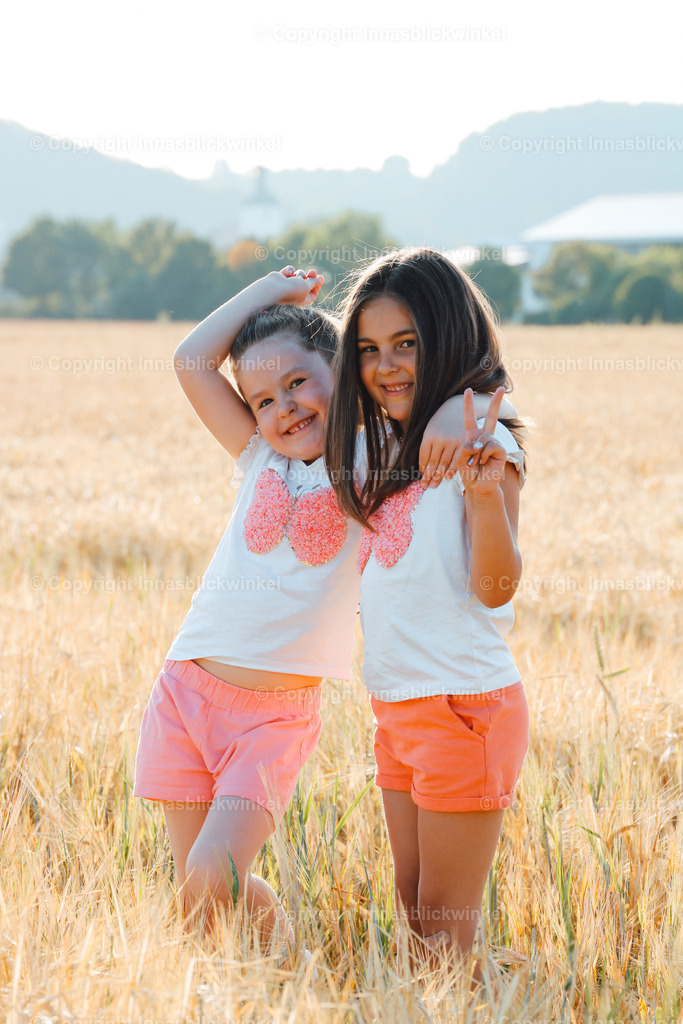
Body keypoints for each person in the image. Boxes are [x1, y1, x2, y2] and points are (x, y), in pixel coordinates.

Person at [132, 265, 503, 964]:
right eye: (263, 398)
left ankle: (170, 983)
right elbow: (190, 360)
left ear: (341, 371)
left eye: (299, 383)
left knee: (210, 879)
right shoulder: (256, 457)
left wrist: (457, 413)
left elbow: (467, 393)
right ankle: (285, 979)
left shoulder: (376, 453)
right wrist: (267, 292)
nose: (284, 409)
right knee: (211, 889)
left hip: (272, 718)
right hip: (182, 694)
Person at [324, 248, 529, 979]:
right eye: (370, 349)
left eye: (407, 343)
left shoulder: (485, 447)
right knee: (417, 920)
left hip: (462, 706)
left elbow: (496, 587)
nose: (386, 365)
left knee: (442, 943)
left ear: (445, 337)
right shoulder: (374, 446)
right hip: (398, 709)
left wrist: (479, 489)